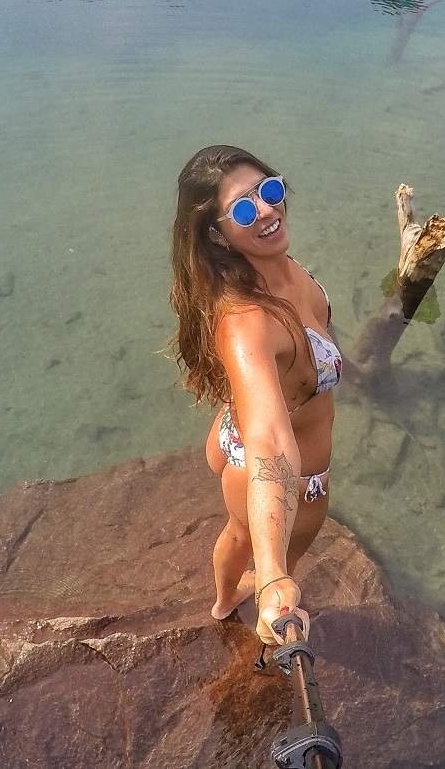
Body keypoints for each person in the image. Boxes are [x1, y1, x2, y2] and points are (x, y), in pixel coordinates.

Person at [170, 144, 343, 645]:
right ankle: (234, 598)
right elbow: (268, 436)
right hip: (284, 474)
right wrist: (272, 576)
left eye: (269, 190)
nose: (266, 211)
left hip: (232, 436)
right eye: (244, 209)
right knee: (256, 542)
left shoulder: (274, 268)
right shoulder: (247, 321)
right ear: (218, 234)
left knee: (236, 532)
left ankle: (224, 602)